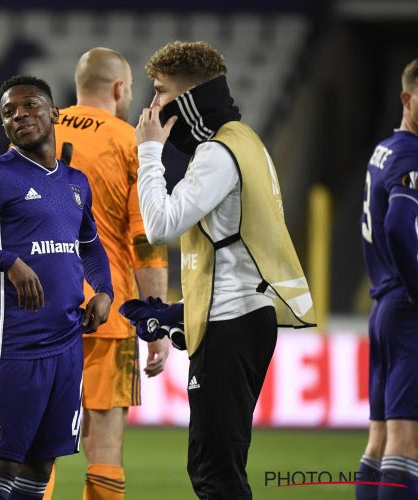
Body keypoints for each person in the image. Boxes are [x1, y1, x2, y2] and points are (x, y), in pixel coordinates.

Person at [126, 41, 316, 498]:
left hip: (233, 323)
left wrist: (149, 153)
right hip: (239, 314)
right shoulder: (245, 141)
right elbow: (236, 247)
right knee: (218, 464)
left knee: (216, 472)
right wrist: (184, 312)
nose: (152, 106)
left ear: (189, 97)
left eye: (160, 92)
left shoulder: (217, 153)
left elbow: (159, 225)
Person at [0, 75, 113, 500]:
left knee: (41, 465)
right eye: (9, 112)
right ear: (3, 126)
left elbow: (91, 246)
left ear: (54, 113)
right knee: (1, 462)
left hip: (68, 343)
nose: (20, 115)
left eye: (30, 105)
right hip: (15, 343)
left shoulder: (76, 183)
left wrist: (104, 291)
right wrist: (7, 262)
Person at [42, 47, 170, 500]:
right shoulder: (129, 141)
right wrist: (154, 320)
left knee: (37, 442)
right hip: (108, 312)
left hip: (41, 308)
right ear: (119, 88)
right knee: (105, 444)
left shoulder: (38, 129)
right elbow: (146, 242)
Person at [356, 58, 418, 500]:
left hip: (383, 305)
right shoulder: (412, 156)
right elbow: (398, 225)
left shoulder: (385, 150)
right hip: (406, 307)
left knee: (378, 441)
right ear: (406, 99)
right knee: (406, 442)